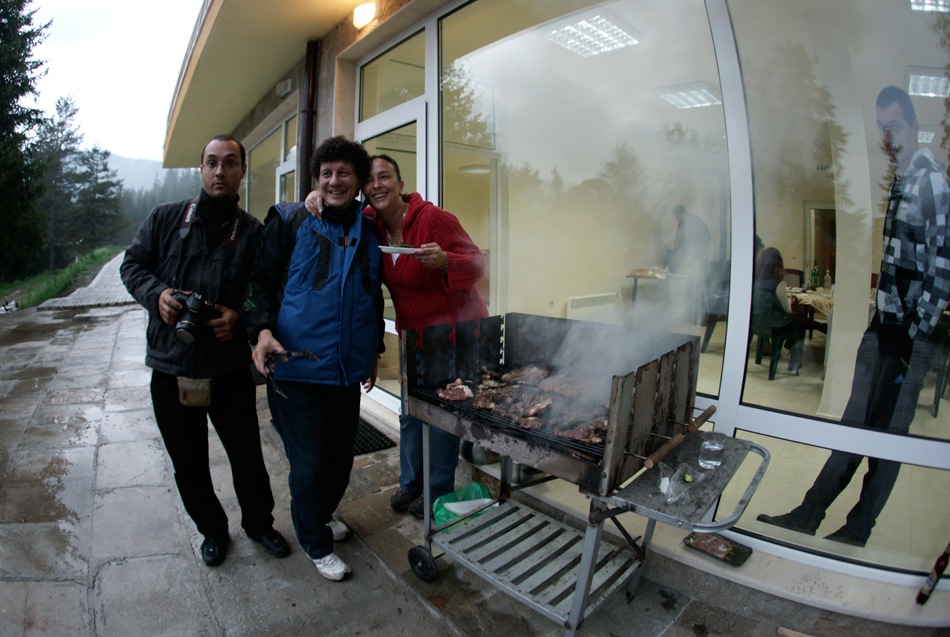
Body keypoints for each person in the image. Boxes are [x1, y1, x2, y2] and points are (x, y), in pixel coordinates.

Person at [758, 86, 950, 547]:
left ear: (914, 127)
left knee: (887, 440)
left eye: (895, 125)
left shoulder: (932, 181)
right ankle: (808, 514)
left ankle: (858, 529)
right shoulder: (901, 179)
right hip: (880, 329)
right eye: (882, 127)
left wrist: (911, 339)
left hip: (909, 340)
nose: (888, 135)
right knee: (853, 431)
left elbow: (943, 273)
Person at [120, 134, 290, 567]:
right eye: (212, 162)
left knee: (247, 456)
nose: (220, 171)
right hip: (170, 366)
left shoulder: (253, 232)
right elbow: (132, 264)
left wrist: (239, 318)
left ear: (242, 171)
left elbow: (261, 291)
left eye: (229, 163)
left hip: (227, 368)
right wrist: (156, 295)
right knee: (188, 462)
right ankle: (213, 531)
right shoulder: (166, 218)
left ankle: (260, 524)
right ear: (200, 169)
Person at [305, 153, 488, 520]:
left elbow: (478, 263)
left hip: (453, 334)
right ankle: (411, 483)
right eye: (370, 180)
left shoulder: (433, 219)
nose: (377, 185)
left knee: (440, 417)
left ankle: (437, 489)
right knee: (410, 413)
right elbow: (337, 204)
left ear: (401, 184)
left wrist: (446, 262)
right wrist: (316, 196)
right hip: (414, 336)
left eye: (385, 177)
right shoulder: (370, 222)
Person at [243, 136, 385, 581]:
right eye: (326, 173)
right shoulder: (291, 219)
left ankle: (320, 515)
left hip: (343, 370)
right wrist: (261, 331)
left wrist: (374, 351)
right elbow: (257, 282)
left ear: (358, 180)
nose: (334, 181)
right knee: (310, 463)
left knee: (340, 460)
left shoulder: (368, 232)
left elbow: (371, 297)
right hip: (295, 367)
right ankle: (315, 541)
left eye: (343, 173)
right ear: (316, 179)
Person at [753, 247, 805, 374]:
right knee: (800, 324)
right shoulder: (779, 284)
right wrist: (791, 302)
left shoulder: (756, 282)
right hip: (776, 325)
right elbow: (787, 310)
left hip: (757, 324)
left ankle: (782, 348)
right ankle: (794, 359)